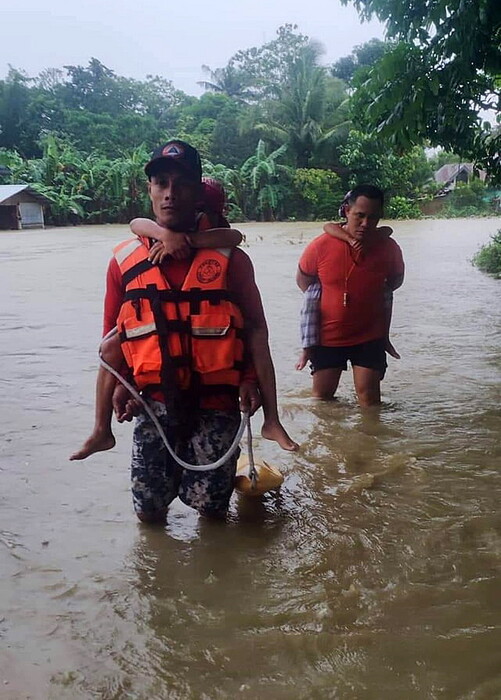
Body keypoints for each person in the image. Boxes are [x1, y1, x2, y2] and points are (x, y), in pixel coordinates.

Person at [78, 139, 296, 520]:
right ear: (149, 190)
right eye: (160, 183)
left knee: (211, 511)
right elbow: (116, 339)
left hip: (218, 402)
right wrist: (123, 388)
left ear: (197, 191)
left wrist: (248, 379)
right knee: (148, 511)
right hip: (153, 401)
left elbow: (254, 333)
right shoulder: (124, 261)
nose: (170, 194)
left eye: (181, 184)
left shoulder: (232, 261)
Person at [296, 184, 405, 406]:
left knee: (370, 403)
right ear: (347, 211)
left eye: (373, 217)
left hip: (369, 336)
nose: (366, 224)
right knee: (322, 402)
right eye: (360, 216)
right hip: (328, 337)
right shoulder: (321, 245)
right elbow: (303, 281)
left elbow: (395, 282)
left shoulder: (388, 247)